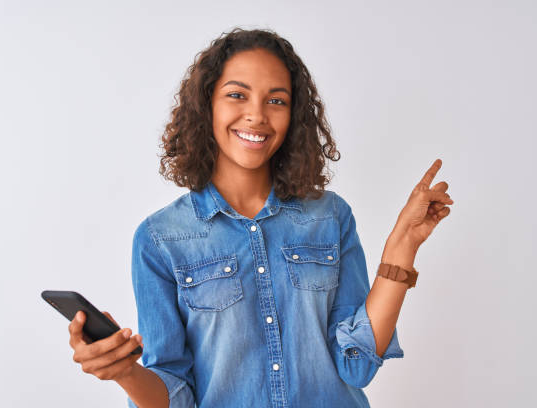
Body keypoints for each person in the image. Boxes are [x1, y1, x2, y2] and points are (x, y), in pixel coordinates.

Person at [67, 27, 454, 408]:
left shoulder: (331, 217)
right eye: (237, 95)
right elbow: (175, 397)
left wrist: (403, 246)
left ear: (294, 116)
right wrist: (125, 373)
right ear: (207, 105)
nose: (256, 115)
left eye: (277, 100)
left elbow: (356, 367)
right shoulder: (160, 238)